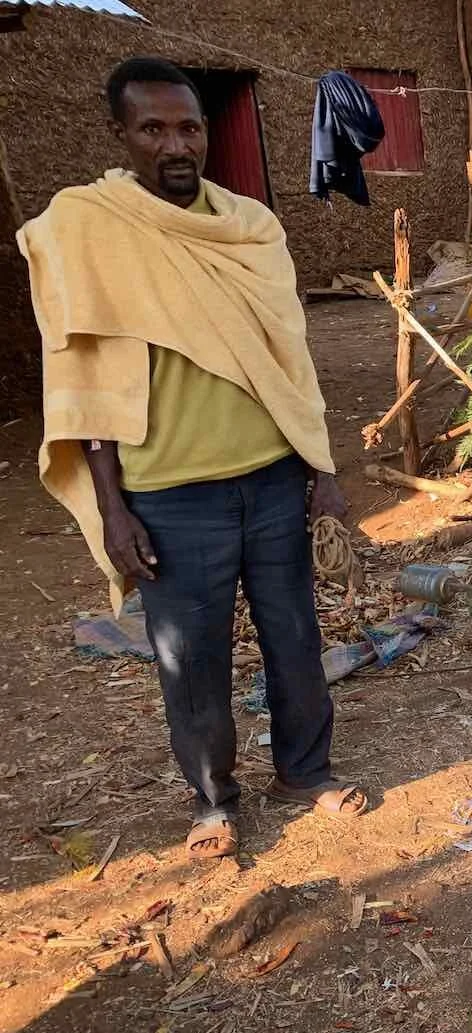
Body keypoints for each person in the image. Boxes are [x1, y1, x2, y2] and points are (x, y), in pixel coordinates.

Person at [17, 57, 368, 860]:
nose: (176, 145)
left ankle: (305, 771)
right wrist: (112, 505)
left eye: (189, 127)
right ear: (121, 135)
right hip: (170, 492)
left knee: (295, 636)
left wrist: (321, 471)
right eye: (153, 128)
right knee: (193, 658)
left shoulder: (250, 229)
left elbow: (292, 360)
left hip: (273, 476)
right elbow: (84, 375)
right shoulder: (90, 230)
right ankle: (214, 800)